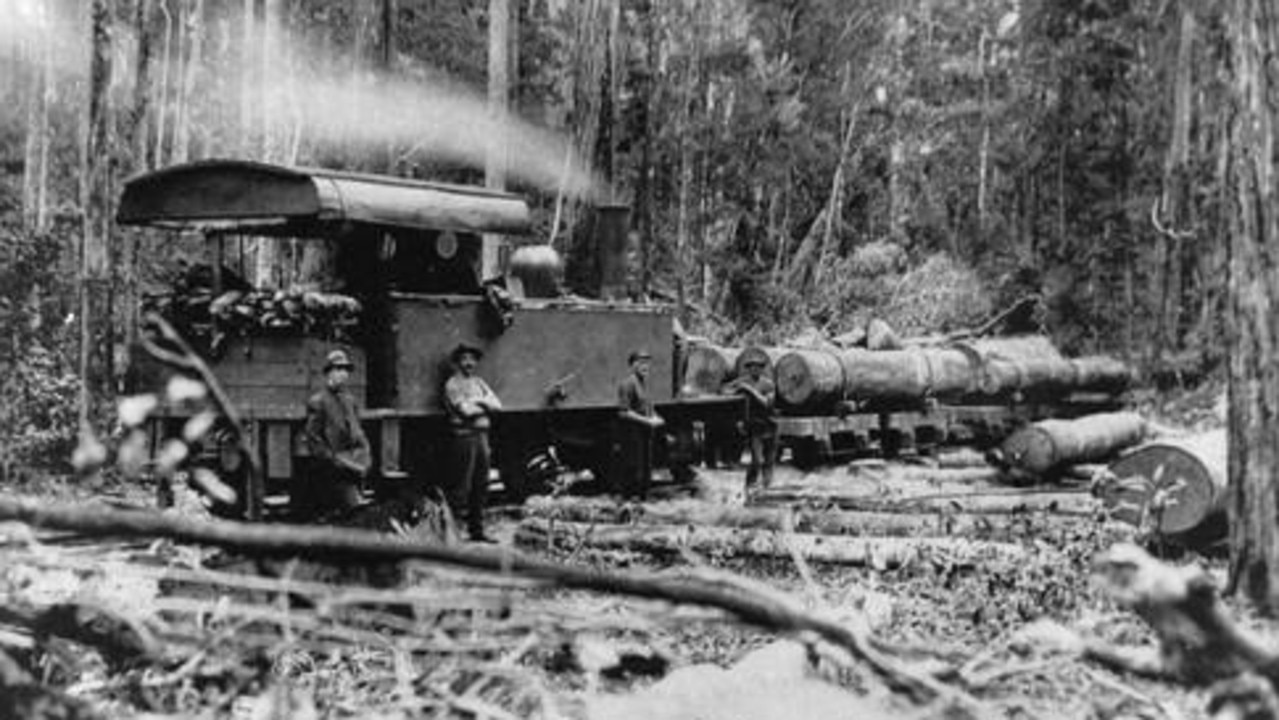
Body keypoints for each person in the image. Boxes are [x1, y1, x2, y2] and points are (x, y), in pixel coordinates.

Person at [299, 349, 371, 522]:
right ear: (329, 373)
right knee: (346, 513)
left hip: (353, 467)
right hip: (332, 471)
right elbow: (314, 440)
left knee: (355, 515)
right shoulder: (319, 401)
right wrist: (334, 461)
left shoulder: (350, 401)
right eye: (338, 369)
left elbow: (358, 430)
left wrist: (364, 452)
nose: (343, 374)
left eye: (346, 370)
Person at [443, 342, 502, 542]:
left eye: (472, 359)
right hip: (464, 438)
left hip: (482, 437)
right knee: (461, 486)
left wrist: (478, 401)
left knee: (481, 485)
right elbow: (466, 412)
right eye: (464, 359)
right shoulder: (453, 384)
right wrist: (484, 402)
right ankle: (452, 534)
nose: (469, 363)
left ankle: (476, 531)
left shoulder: (479, 382)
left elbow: (498, 405)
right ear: (458, 362)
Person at [725, 352, 777, 499]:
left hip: (770, 424)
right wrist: (736, 391)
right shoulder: (743, 381)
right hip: (754, 426)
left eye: (759, 367)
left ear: (762, 369)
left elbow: (767, 403)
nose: (755, 370)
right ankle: (749, 486)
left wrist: (749, 390)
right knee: (756, 460)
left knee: (769, 461)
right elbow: (725, 390)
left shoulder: (768, 384)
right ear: (748, 369)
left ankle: (767, 488)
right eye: (752, 367)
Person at [616, 348, 665, 501]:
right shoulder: (627, 384)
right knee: (633, 469)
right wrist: (647, 421)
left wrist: (657, 417)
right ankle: (629, 501)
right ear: (632, 365)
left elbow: (648, 407)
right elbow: (623, 412)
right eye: (641, 363)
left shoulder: (644, 384)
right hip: (632, 434)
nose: (645, 367)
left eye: (647, 363)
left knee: (645, 469)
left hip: (645, 434)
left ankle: (643, 500)